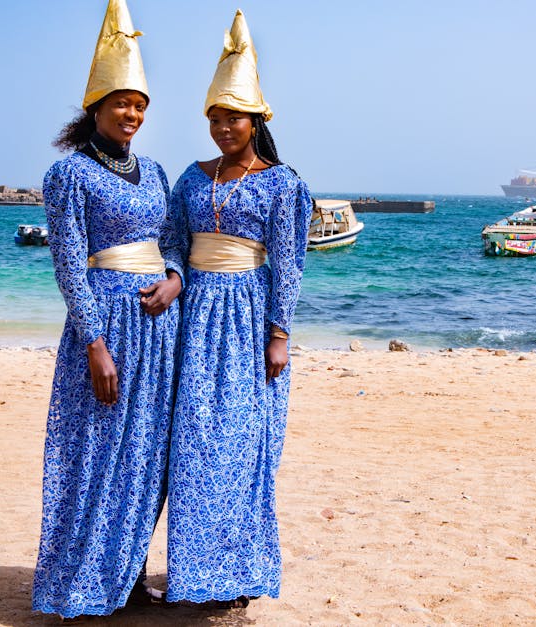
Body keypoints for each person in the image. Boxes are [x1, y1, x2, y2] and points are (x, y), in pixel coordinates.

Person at [32, 0, 182, 619]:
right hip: (106, 325)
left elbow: (173, 237)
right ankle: (84, 581)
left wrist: (174, 278)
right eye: (123, 103)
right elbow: (69, 263)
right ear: (95, 106)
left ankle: (128, 575)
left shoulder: (156, 171)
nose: (133, 114)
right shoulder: (66, 174)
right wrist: (94, 342)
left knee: (148, 452)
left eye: (141, 105)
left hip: (160, 324)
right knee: (96, 449)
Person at [162, 9, 312, 609]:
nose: (224, 128)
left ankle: (238, 575)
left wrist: (280, 333)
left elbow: (290, 263)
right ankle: (195, 575)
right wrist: (174, 276)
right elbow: (172, 237)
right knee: (193, 446)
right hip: (191, 317)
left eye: (234, 118)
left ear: (257, 121)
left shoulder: (283, 183)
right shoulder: (190, 180)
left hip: (248, 317)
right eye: (216, 119)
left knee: (243, 446)